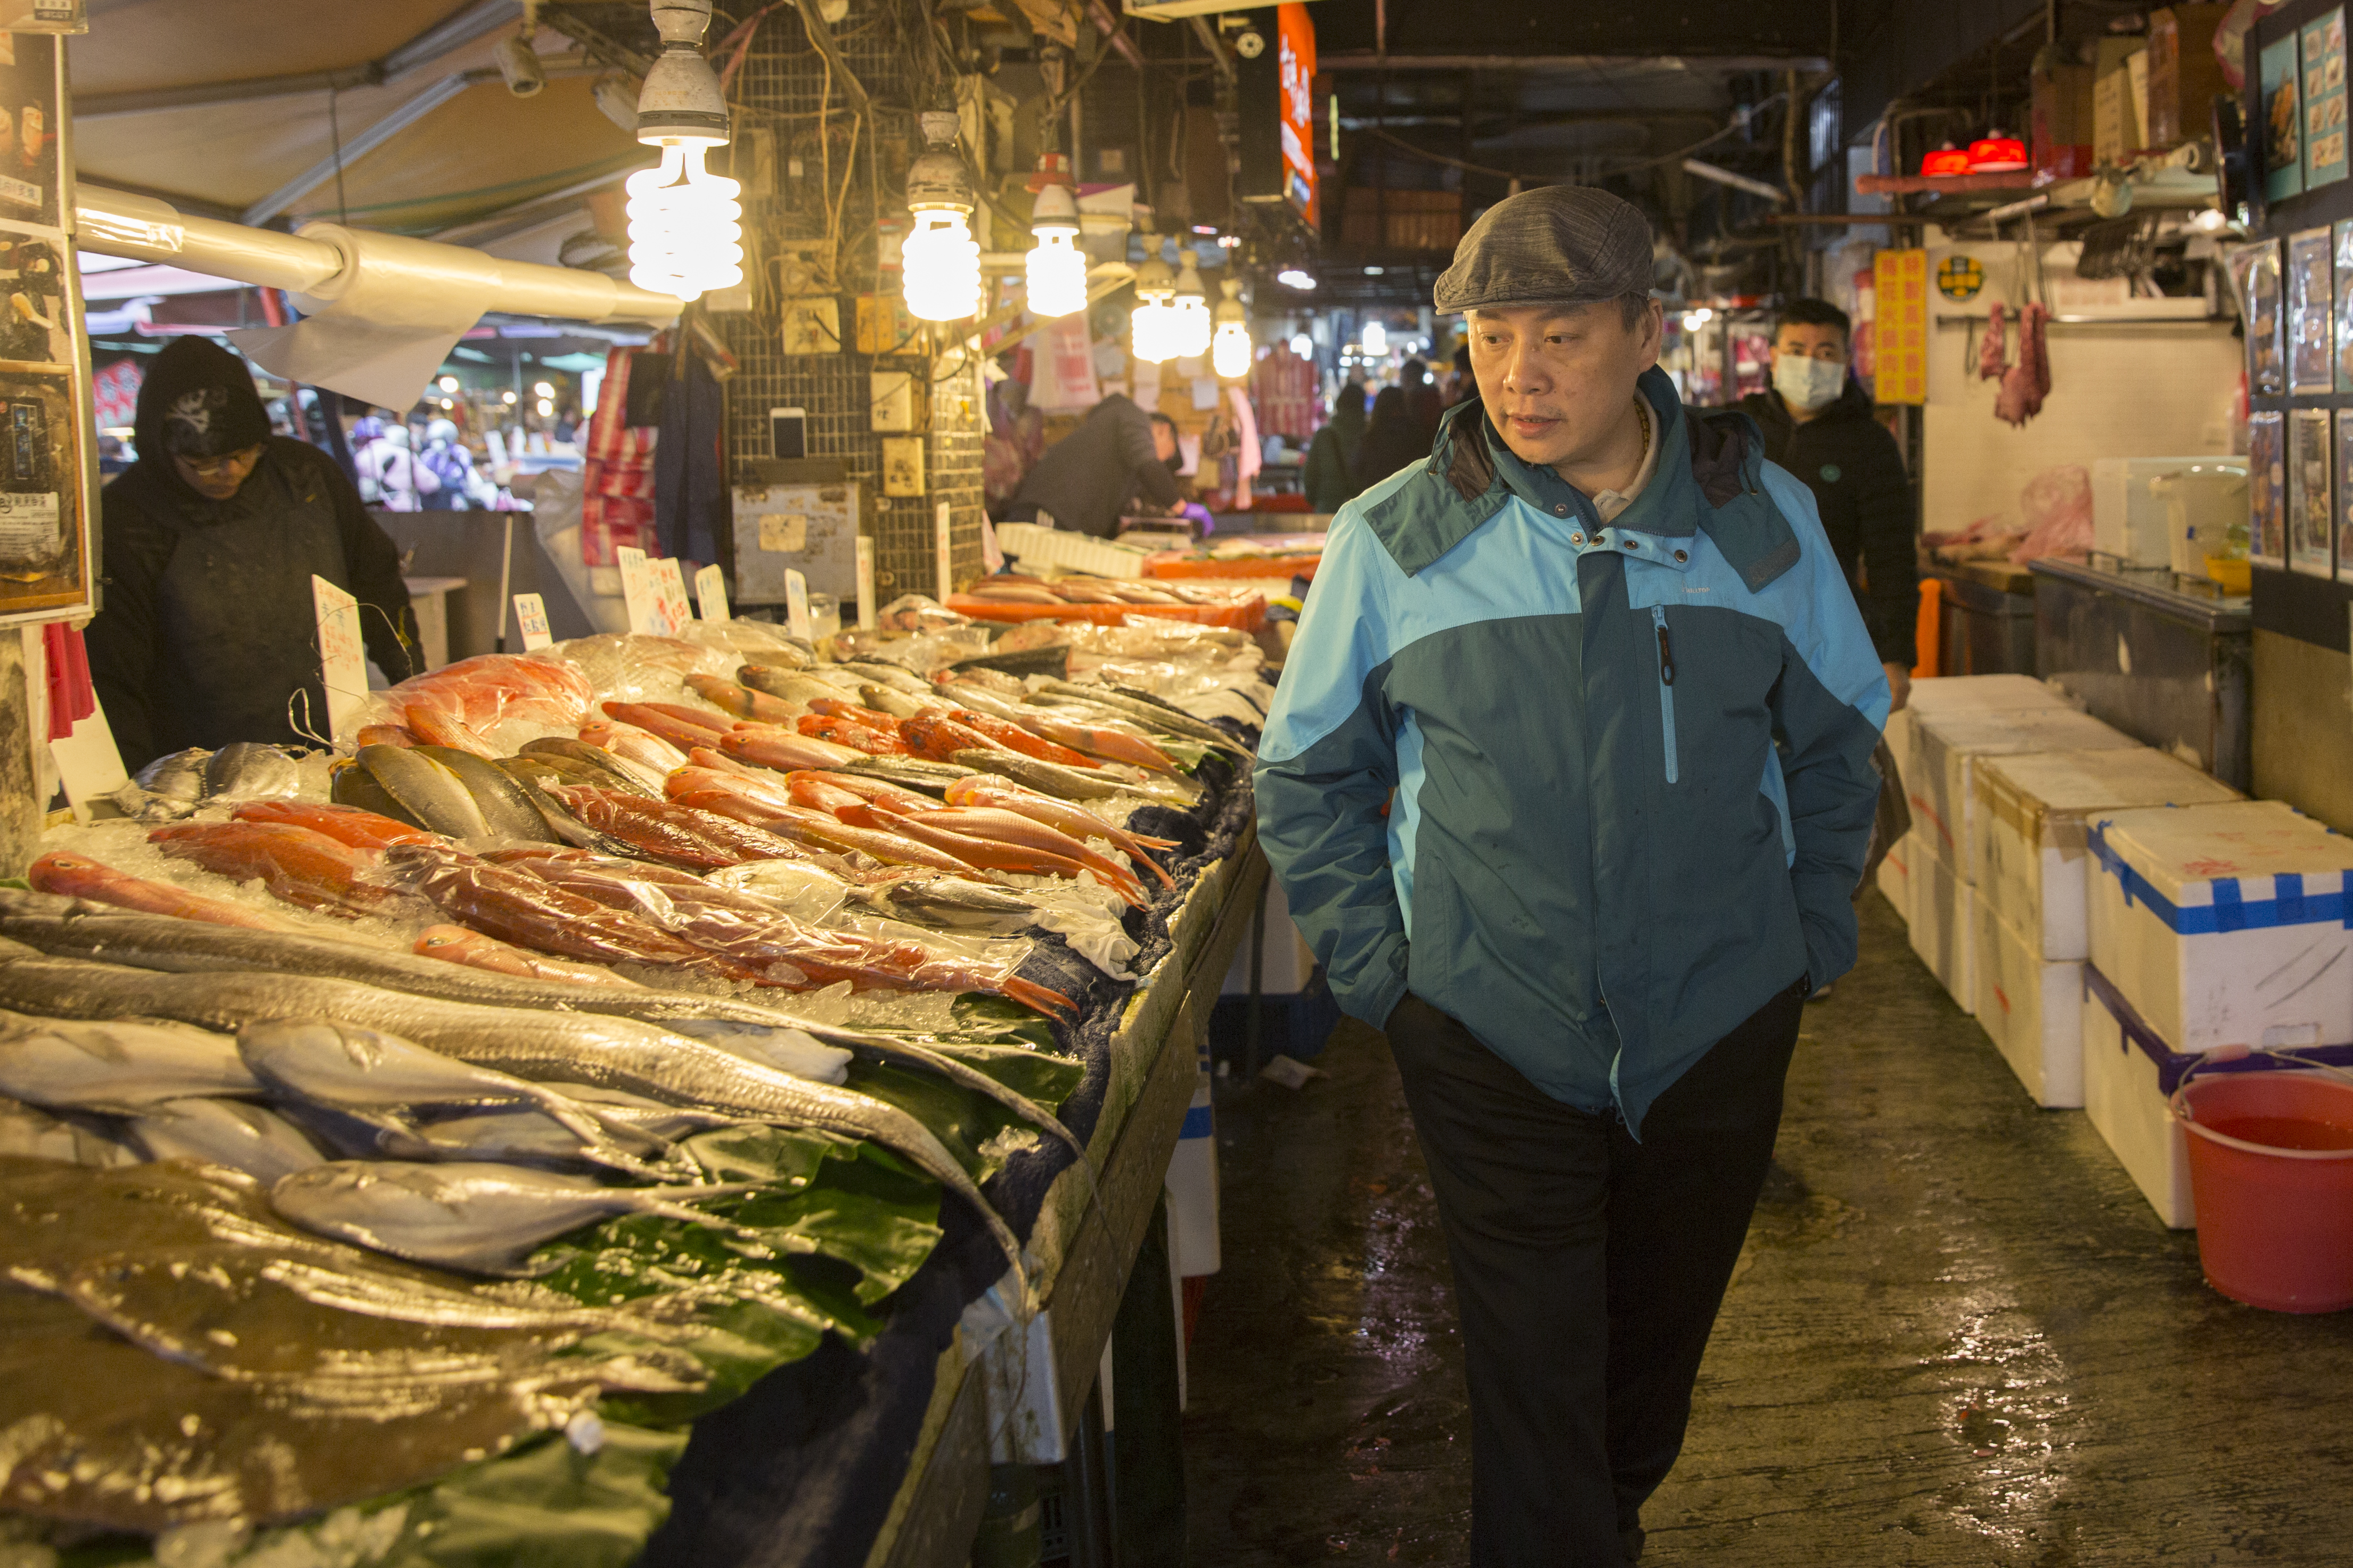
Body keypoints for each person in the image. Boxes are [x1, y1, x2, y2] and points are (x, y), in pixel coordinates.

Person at [1255, 185, 1887, 1566]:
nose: (1519, 376)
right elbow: (1306, 776)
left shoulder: (1757, 523)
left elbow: (1843, 746)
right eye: (1489, 339)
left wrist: (1809, 938)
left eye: (1559, 336)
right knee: (1536, 1407)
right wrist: (1387, 980)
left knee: (1641, 1387)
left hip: (1719, 1032)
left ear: (1645, 331)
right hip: (1492, 1038)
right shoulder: (1395, 540)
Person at [87, 336, 418, 772]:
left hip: (333, 753)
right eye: (204, 463)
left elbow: (378, 585)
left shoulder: (306, 474)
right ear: (162, 448)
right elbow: (114, 674)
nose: (231, 472)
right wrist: (133, 784)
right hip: (202, 773)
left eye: (244, 454)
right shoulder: (127, 517)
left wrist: (414, 693)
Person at [1738, 298, 1918, 711]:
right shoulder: (1737, 431)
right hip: (1735, 628)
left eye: (1825, 352)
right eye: (1797, 351)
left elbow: (1892, 555)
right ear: (1775, 357)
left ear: (1846, 360)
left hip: (1831, 635)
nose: (1810, 363)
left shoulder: (1870, 444)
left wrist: (1895, 656)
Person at [1004, 391, 1181, 538]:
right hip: (1046, 514)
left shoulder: (1118, 438)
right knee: (1032, 579)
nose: (1162, 461)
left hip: (1060, 521)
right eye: (1168, 455)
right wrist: (1179, 505)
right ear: (1163, 430)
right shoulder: (1134, 417)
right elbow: (1148, 465)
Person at [1350, 385, 1434, 492]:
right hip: (1408, 496)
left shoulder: (1371, 437)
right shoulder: (1415, 434)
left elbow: (1357, 469)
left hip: (1376, 498)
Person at [1303, 382, 1368, 513]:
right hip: (1362, 511)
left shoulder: (1323, 435)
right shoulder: (1370, 437)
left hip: (1328, 509)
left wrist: (1315, 499)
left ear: (1339, 403)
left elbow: (1310, 474)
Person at [354, 421, 438, 512]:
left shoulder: (359, 459)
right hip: (409, 512)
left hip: (376, 516)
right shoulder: (405, 453)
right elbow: (431, 485)